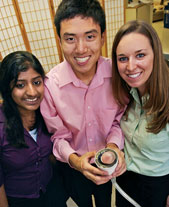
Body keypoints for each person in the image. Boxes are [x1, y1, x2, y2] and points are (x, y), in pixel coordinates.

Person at [40, 0, 126, 206]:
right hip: (72, 167)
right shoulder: (50, 85)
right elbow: (58, 136)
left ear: (103, 38)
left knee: (106, 200)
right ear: (59, 40)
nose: (81, 49)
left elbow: (119, 120)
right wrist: (77, 162)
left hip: (107, 162)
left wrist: (113, 147)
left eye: (90, 36)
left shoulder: (118, 74)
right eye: (70, 38)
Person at [111, 20, 169, 207]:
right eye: (123, 58)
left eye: (140, 55)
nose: (130, 66)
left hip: (156, 183)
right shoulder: (126, 93)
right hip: (124, 179)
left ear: (156, 54)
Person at [0, 51, 67, 207]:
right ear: (7, 88)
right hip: (20, 200)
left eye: (37, 82)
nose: (32, 92)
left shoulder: (47, 111)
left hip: (52, 191)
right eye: (20, 85)